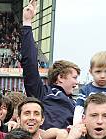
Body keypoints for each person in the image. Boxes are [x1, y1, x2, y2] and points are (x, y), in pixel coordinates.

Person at [21, 0, 79, 129]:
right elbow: (29, 62)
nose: (77, 83)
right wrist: (27, 23)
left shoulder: (76, 104)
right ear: (61, 77)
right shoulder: (42, 93)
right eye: (74, 77)